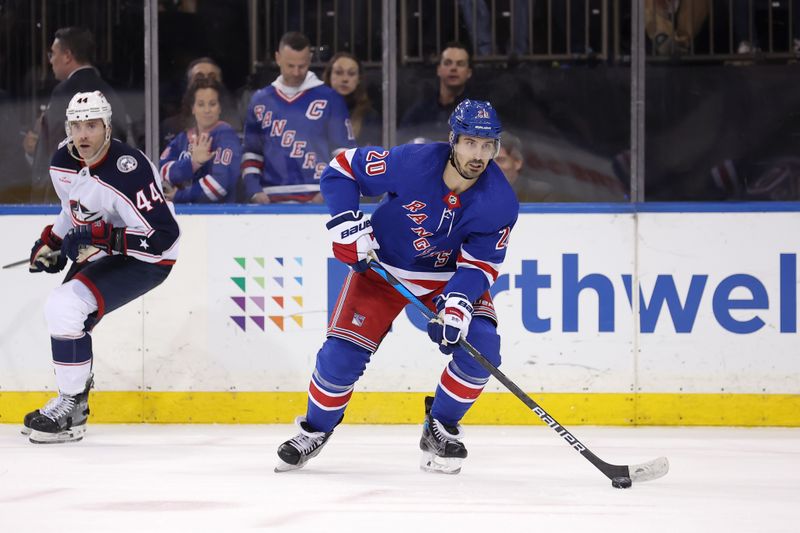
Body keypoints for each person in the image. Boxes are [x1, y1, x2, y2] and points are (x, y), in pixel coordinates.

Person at [274, 99, 518, 475]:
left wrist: (456, 304)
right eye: (471, 142)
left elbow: (481, 264)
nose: (479, 154)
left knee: (483, 346)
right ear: (453, 139)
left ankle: (440, 427)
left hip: (445, 280)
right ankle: (315, 429)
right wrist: (345, 222)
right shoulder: (412, 163)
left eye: (488, 145)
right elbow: (341, 170)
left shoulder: (500, 201)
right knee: (340, 357)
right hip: (381, 270)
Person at [22, 91, 180, 444]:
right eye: (76, 126)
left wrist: (103, 237)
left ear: (107, 127)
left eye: (91, 125)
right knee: (64, 313)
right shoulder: (63, 161)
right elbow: (72, 209)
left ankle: (71, 406)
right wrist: (52, 241)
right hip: (104, 247)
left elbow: (165, 238)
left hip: (146, 259)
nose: (83, 135)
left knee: (64, 306)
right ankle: (72, 404)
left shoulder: (130, 170)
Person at [241, 31, 355, 204]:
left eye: (301, 66)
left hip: (318, 194)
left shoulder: (330, 99)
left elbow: (345, 154)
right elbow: (252, 153)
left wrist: (330, 191)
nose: (296, 72)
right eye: (290, 65)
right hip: (271, 198)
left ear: (309, 59)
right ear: (278, 58)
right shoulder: (260, 100)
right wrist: (254, 191)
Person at [24, 27, 131, 203]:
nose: (51, 61)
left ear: (67, 56)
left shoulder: (64, 92)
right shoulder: (111, 91)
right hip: (110, 191)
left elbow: (52, 150)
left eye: (53, 54)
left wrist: (40, 196)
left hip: (69, 195)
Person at [159, 76, 242, 203]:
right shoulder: (182, 139)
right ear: (193, 108)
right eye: (201, 104)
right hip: (183, 216)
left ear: (220, 108)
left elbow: (218, 185)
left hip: (219, 217)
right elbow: (162, 171)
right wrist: (192, 164)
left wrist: (180, 196)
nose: (207, 110)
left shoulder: (227, 138)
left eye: (212, 104)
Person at [159, 57, 240, 151]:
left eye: (212, 78)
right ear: (189, 84)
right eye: (199, 78)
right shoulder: (170, 126)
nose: (205, 82)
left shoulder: (236, 123)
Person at [398, 42, 474, 143]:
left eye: (460, 64)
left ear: (469, 72)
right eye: (447, 63)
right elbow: (401, 141)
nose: (453, 68)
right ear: (439, 69)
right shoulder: (420, 111)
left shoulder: (477, 112)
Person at [322, 52, 381, 147]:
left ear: (359, 79)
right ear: (329, 76)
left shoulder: (369, 116)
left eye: (351, 74)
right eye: (339, 72)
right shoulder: (314, 111)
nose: (345, 79)